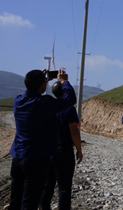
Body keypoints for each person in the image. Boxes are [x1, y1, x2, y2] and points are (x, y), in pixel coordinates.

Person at [9, 68, 76, 210]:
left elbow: (31, 87)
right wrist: (63, 81)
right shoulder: (44, 103)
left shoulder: (18, 101)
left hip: (17, 158)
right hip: (35, 160)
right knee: (29, 203)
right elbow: (70, 99)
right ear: (41, 86)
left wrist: (40, 79)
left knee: (15, 201)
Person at [39, 81, 83, 210]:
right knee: (64, 188)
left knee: (47, 185)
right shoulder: (68, 108)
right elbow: (74, 132)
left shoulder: (47, 107)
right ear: (65, 92)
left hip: (47, 151)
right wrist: (79, 150)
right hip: (63, 151)